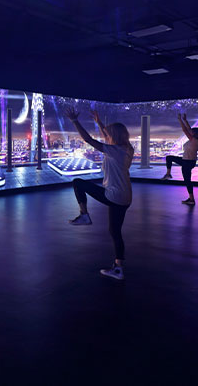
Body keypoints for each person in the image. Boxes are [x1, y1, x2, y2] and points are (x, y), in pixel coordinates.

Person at [65, 107, 133, 281]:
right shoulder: (127, 149)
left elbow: (88, 139)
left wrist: (75, 121)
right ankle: (118, 268)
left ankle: (84, 215)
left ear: (114, 137)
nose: (106, 137)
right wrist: (98, 122)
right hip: (125, 196)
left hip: (114, 195)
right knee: (115, 231)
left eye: (109, 135)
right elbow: (106, 135)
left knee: (78, 183)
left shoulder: (114, 150)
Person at [162, 113, 198, 205]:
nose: (190, 132)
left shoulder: (194, 140)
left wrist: (180, 120)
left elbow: (185, 130)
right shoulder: (195, 140)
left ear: (194, 134)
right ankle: (168, 174)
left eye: (192, 132)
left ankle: (191, 199)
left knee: (187, 180)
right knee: (169, 158)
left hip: (187, 162)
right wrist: (185, 120)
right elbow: (188, 129)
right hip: (187, 161)